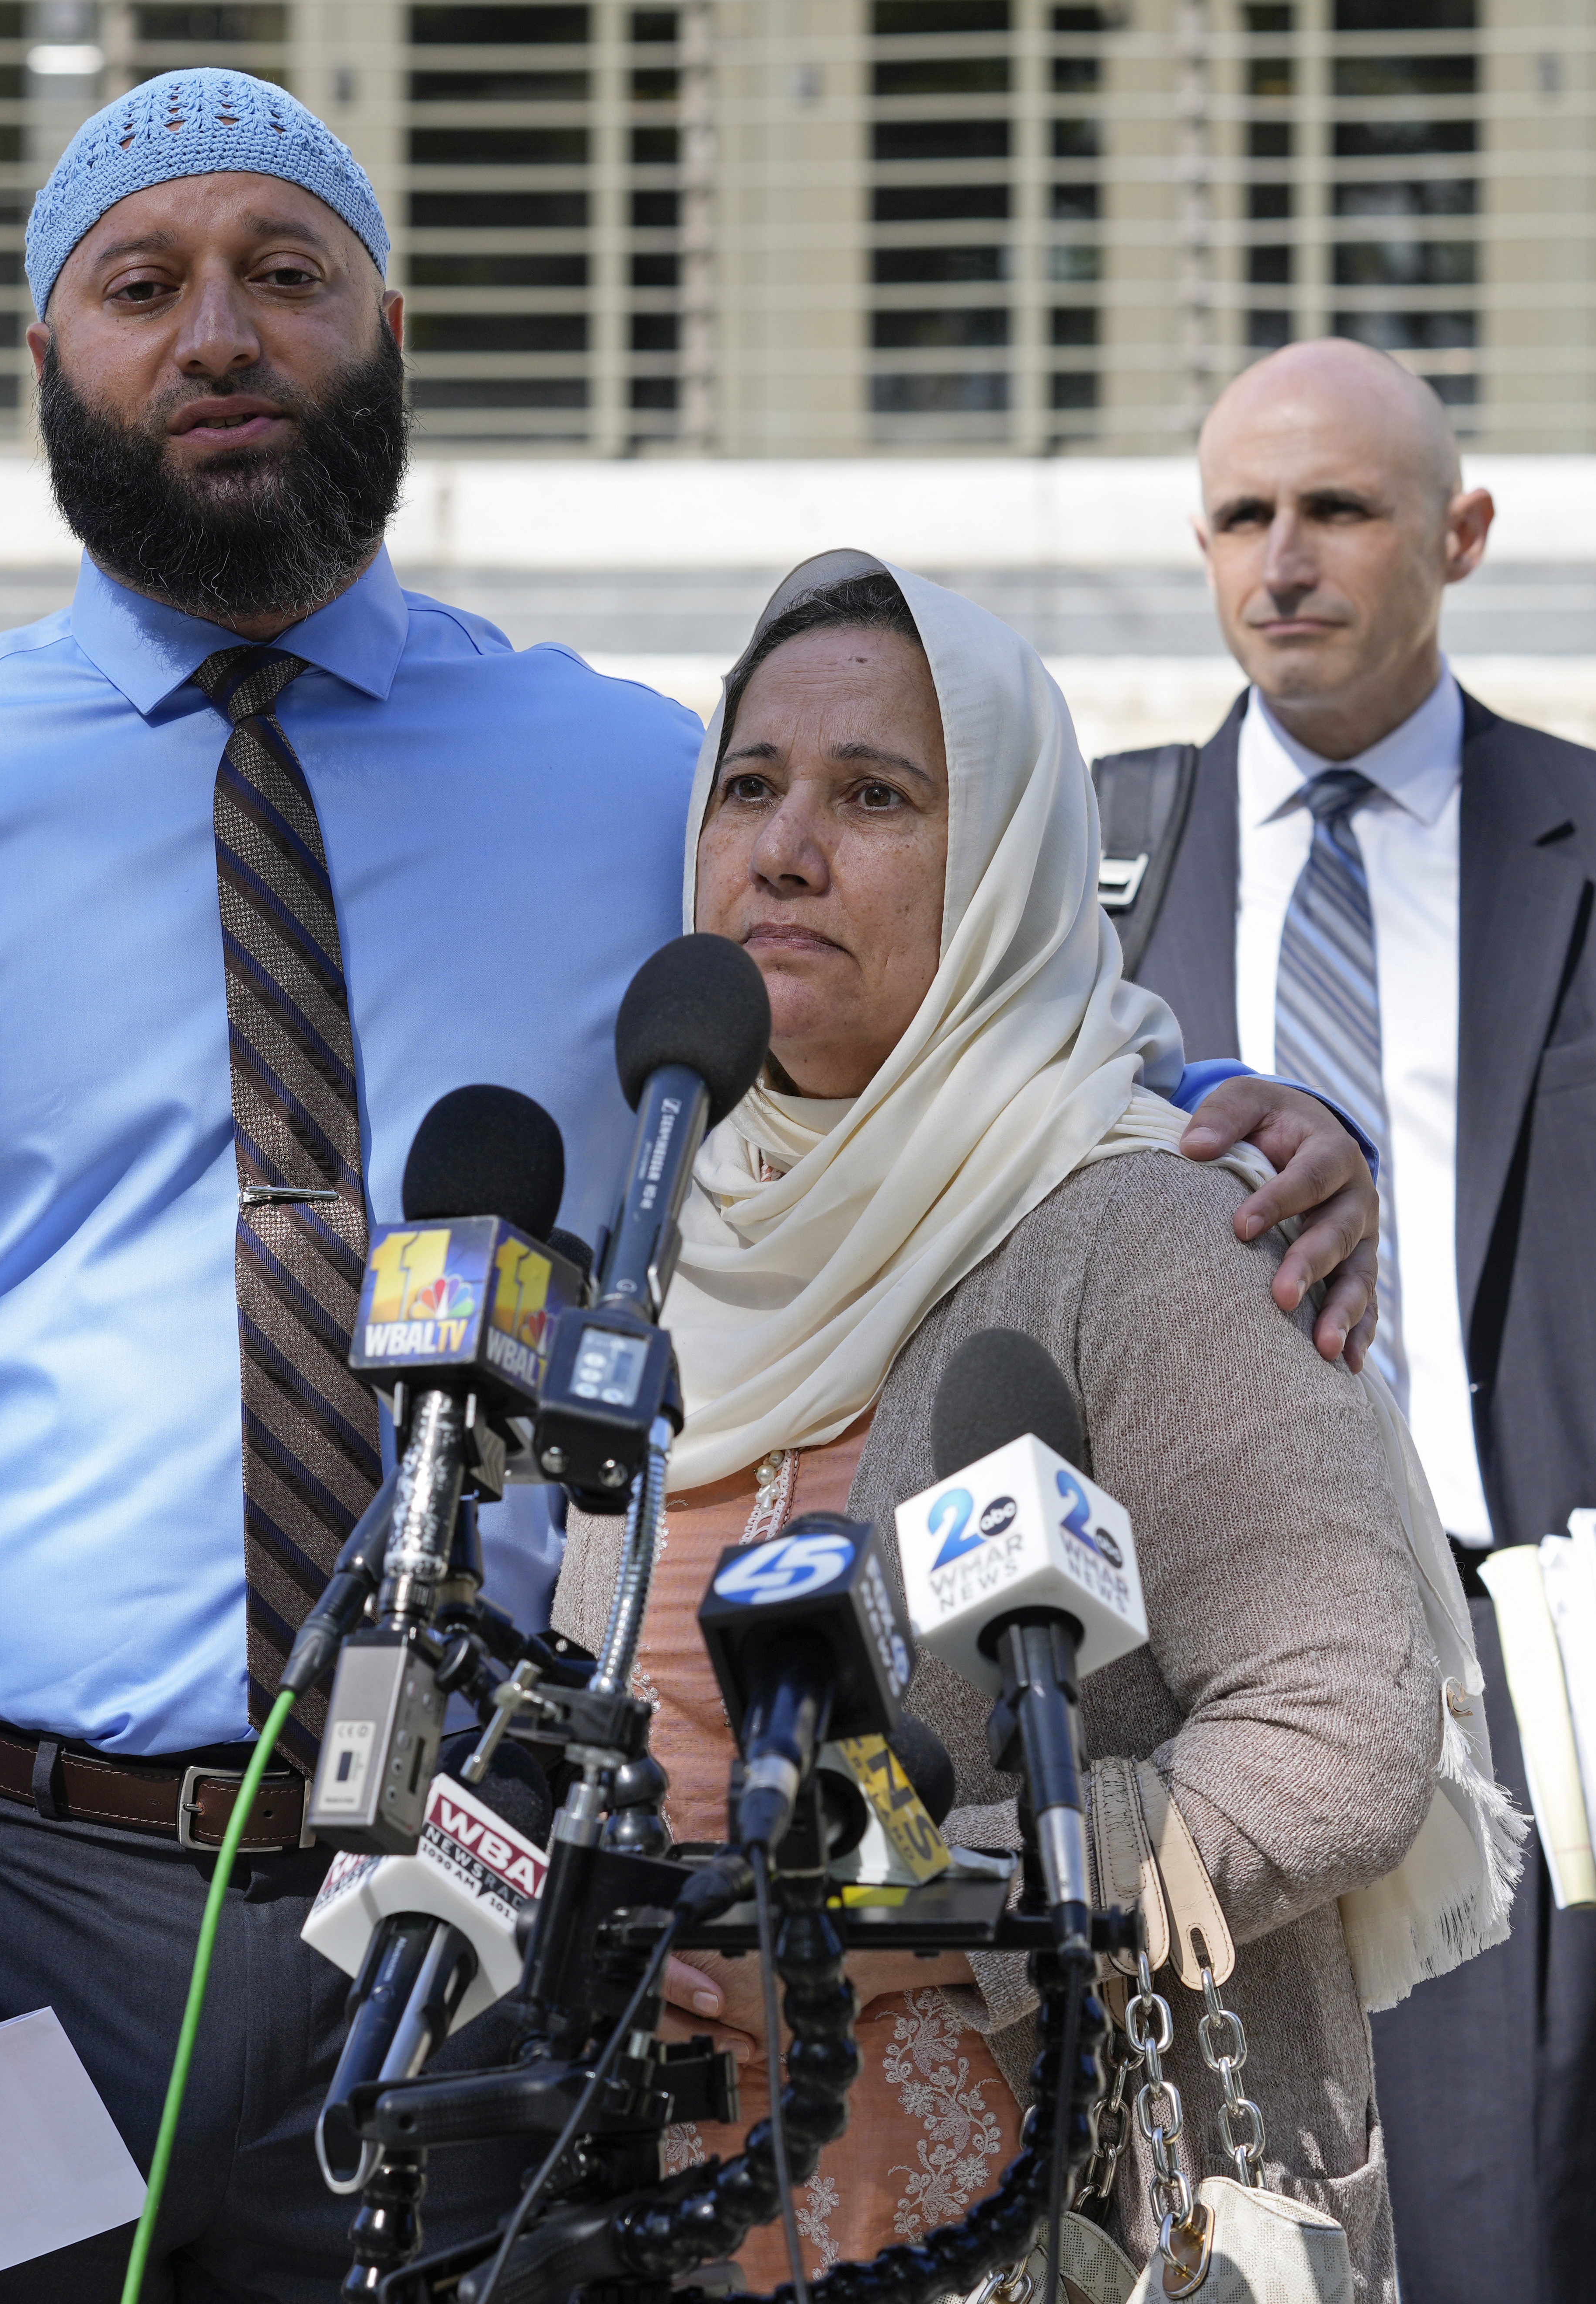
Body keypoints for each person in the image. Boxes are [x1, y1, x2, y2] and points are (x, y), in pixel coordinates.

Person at [0, 70, 1382, 2300]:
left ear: (392, 331)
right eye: (145, 286)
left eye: (286, 276)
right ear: (49, 361)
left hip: (507, 1904)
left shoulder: (635, 777)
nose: (219, 332)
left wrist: (1245, 1114)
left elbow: (927, 1003)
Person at [574, 553, 1451, 2296]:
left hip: (1063, 2221)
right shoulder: (673, 1232)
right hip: (671, 2209)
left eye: (878, 794)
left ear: (1005, 869)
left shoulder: (1150, 1222)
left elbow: (1344, 1732)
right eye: (750, 785)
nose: (787, 845)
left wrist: (880, 1933)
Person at [1096, 337, 1596, 2304]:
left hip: (1540, 1699)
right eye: (1245, 515)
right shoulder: (1095, 861)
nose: (1287, 559)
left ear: (1460, 533)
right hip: (1189, 1686)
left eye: (1339, 509)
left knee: (1525, 2267)